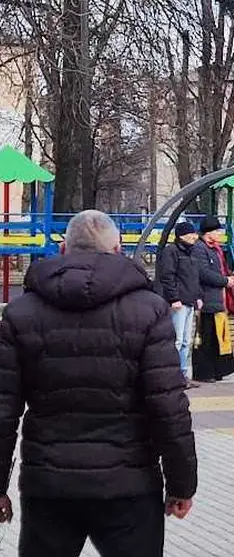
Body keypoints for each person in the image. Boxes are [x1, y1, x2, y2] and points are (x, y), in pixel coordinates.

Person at [0, 210, 196, 555]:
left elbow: (3, 410)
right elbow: (168, 406)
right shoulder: (149, 310)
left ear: (64, 250)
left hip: (50, 485)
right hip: (129, 486)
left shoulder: (20, 312)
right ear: (118, 248)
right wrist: (182, 484)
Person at [192, 216, 234, 383]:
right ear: (208, 233)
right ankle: (204, 372)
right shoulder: (199, 249)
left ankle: (218, 369)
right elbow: (204, 273)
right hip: (207, 300)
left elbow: (221, 270)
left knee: (217, 337)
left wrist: (230, 277)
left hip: (218, 300)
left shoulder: (216, 249)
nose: (220, 234)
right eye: (217, 231)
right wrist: (225, 281)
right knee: (207, 337)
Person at [157, 221, 202, 388]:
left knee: (186, 340)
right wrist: (173, 298)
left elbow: (194, 277)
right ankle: (173, 375)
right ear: (182, 235)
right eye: (191, 234)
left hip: (189, 300)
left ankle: (183, 373)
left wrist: (198, 296)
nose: (194, 237)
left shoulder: (192, 253)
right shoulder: (171, 252)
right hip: (179, 302)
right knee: (177, 339)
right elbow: (167, 276)